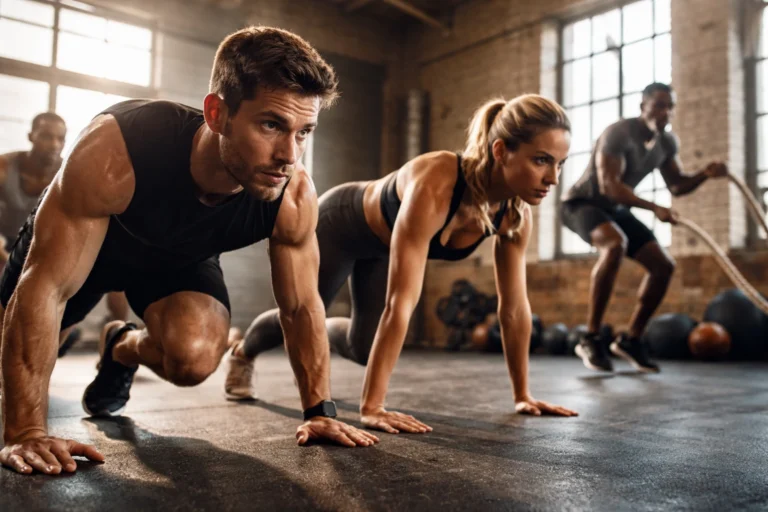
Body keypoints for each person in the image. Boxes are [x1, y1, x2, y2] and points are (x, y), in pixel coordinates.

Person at [0, 26, 379, 477]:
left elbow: (300, 305)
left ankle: (121, 346)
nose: (289, 155)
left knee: (194, 357)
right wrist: (26, 433)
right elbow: (45, 287)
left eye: (304, 132)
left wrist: (319, 411)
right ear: (217, 114)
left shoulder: (291, 193)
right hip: (90, 250)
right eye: (272, 124)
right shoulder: (117, 150)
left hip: (173, 260)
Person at [226, 94, 579, 433]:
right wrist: (373, 407)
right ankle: (243, 352)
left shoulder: (514, 216)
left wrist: (522, 396)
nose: (554, 179)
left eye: (560, 164)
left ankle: (327, 327)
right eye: (542, 160)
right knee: (302, 313)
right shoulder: (438, 182)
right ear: (501, 151)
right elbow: (401, 302)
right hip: (343, 223)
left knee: (363, 349)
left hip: (381, 249)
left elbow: (514, 310)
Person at [561, 83, 728, 373]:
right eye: (660, 105)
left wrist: (705, 174)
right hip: (581, 204)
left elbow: (676, 185)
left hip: (615, 209)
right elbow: (609, 186)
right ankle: (590, 337)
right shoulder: (618, 133)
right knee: (615, 245)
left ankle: (631, 340)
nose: (666, 112)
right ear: (643, 107)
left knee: (663, 265)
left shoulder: (666, 143)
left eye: (670, 106)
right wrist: (654, 209)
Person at [0, 113, 66, 269]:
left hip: (41, 249)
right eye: (46, 137)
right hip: (4, 242)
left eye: (60, 139)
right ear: (31, 136)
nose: (54, 145)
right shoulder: (5, 166)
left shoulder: (68, 174)